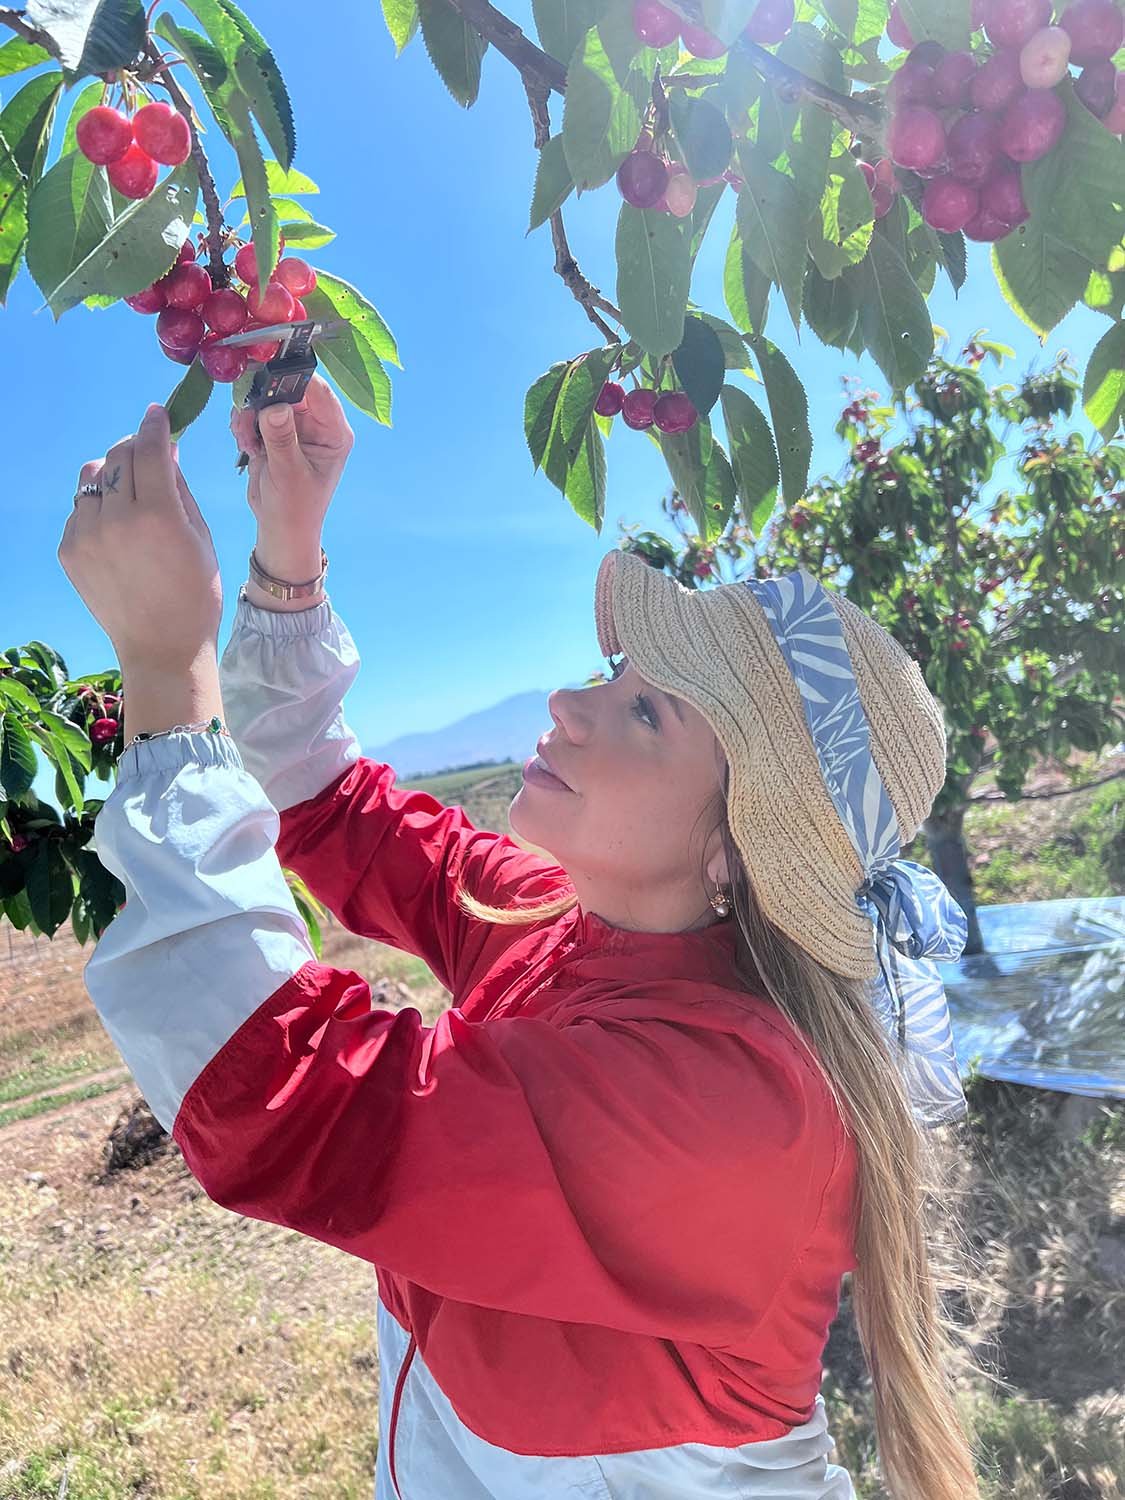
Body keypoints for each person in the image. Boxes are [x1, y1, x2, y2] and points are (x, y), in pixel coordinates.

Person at [66, 377, 984, 1500]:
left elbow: (279, 1097)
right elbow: (328, 804)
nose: (567, 703)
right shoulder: (554, 915)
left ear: (737, 852)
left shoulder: (739, 1106)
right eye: (614, 676)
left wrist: (168, 667)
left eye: (648, 712)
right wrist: (289, 545)